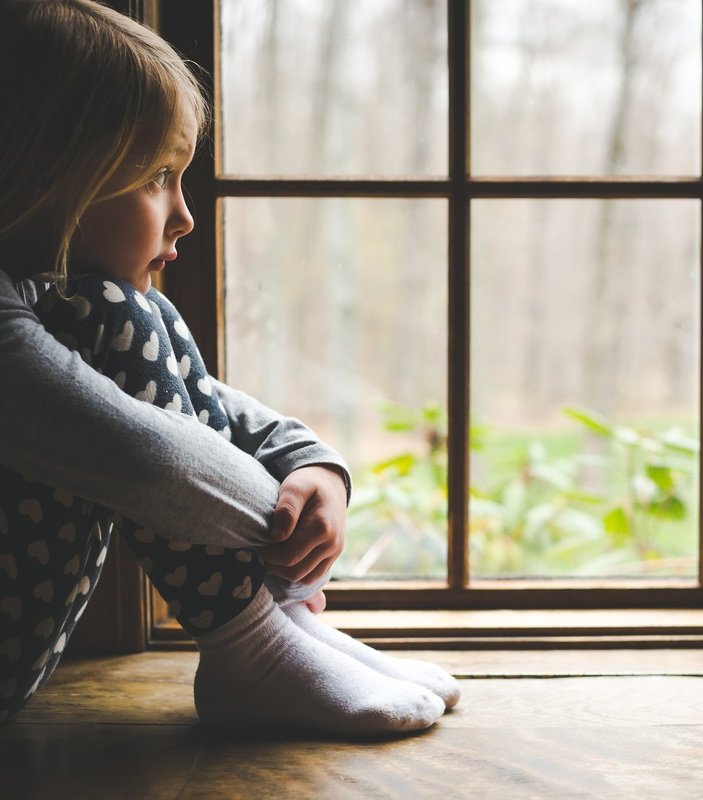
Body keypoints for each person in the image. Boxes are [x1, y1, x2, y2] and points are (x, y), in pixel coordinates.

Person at [0, 0, 458, 735]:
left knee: (121, 311)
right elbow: (150, 463)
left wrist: (312, 468)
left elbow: (207, 404)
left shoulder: (57, 300)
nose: (184, 215)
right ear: (55, 177)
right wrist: (284, 545)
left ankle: (275, 633)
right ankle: (252, 643)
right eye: (158, 178)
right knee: (117, 310)